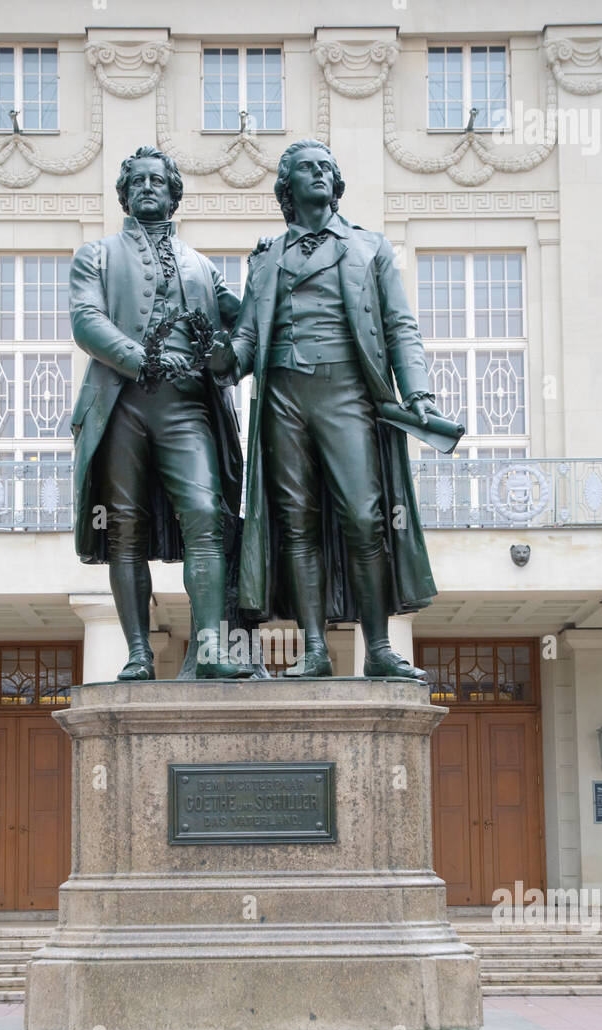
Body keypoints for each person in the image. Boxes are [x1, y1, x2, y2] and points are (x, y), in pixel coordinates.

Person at [207, 138, 446, 678]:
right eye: (305, 169)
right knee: (297, 524)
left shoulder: (371, 248)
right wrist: (222, 360)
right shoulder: (266, 257)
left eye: (325, 168)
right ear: (287, 187)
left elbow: (400, 327)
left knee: (365, 518)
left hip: (347, 393)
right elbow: (246, 338)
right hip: (284, 398)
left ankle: (379, 648)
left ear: (336, 184)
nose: (317, 174)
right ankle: (314, 648)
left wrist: (418, 393)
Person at [69, 144, 249, 679]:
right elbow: (85, 319)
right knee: (125, 529)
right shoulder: (96, 255)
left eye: (158, 181)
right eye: (138, 181)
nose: (148, 187)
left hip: (187, 408)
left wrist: (229, 355)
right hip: (123, 403)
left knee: (206, 518)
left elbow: (245, 330)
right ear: (125, 194)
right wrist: (137, 358)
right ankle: (139, 654)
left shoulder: (203, 266)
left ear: (174, 194)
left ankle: (212, 648)